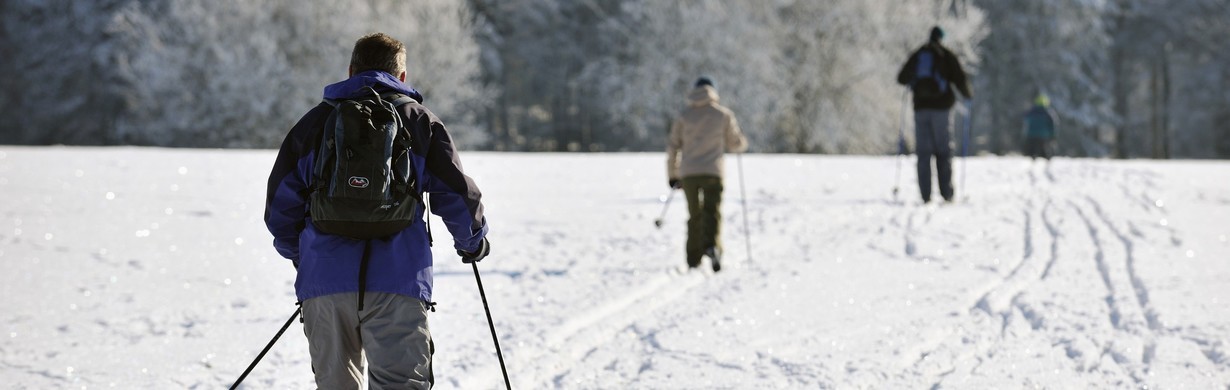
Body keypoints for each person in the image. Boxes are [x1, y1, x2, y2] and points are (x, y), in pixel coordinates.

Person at [264, 32, 490, 389]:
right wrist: (472, 241)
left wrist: (303, 255)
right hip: (399, 280)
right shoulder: (420, 122)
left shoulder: (314, 124)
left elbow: (280, 208)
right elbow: (456, 193)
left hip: (325, 282)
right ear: (401, 77)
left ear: (351, 70)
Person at [666, 77, 748, 272]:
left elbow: (673, 147)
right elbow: (735, 143)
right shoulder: (723, 115)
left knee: (694, 215)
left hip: (689, 174)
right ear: (713, 92)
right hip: (713, 172)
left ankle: (693, 258)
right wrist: (741, 144)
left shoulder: (684, 116)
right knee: (712, 212)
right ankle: (712, 247)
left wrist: (672, 175)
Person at [896, 26, 973, 203]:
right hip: (942, 109)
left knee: (923, 152)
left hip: (921, 109)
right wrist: (968, 95)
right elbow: (960, 80)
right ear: (941, 38)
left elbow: (901, 78)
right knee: (943, 151)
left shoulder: (918, 55)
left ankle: (925, 195)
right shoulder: (946, 55)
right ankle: (947, 193)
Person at [1022, 93, 1058, 161]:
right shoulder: (1048, 112)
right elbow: (1053, 124)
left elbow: (1025, 121)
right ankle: (1046, 161)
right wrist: (1053, 135)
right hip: (1044, 135)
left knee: (1031, 151)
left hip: (1031, 134)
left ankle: (1033, 159)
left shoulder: (1031, 111)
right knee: (1044, 151)